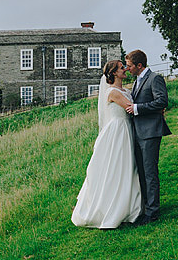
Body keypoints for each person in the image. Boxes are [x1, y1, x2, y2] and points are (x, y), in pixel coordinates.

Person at [72, 60, 142, 228]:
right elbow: (130, 108)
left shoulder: (124, 90)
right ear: (114, 73)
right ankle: (111, 209)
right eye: (121, 68)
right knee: (116, 167)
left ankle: (130, 206)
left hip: (127, 129)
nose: (125, 69)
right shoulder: (112, 92)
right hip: (117, 132)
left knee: (128, 168)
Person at [119, 49, 171, 224]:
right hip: (138, 132)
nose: (127, 69)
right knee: (141, 171)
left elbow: (162, 101)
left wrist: (137, 108)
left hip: (150, 132)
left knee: (149, 172)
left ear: (139, 66)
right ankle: (144, 207)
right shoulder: (137, 81)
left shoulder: (154, 78)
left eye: (130, 66)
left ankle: (153, 212)